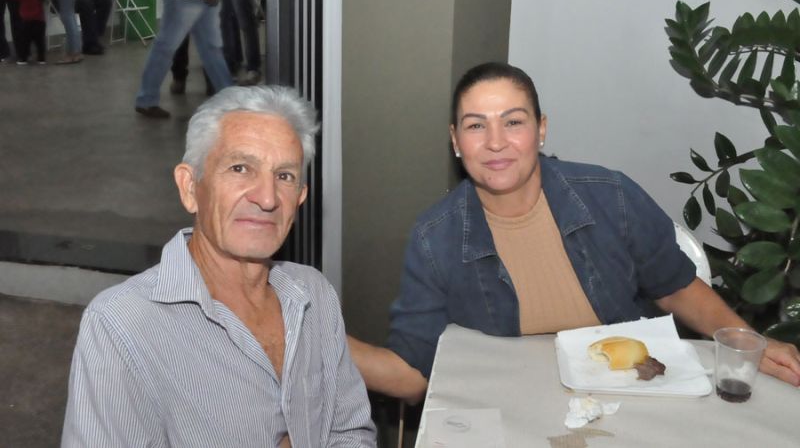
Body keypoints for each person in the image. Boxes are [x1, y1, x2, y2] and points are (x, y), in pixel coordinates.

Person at [348, 62, 800, 401]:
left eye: (513, 121)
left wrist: (749, 344)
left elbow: (677, 287)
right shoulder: (435, 238)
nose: (495, 142)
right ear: (455, 141)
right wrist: (316, 339)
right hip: (513, 405)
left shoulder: (610, 196)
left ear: (541, 129)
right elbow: (415, 376)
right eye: (476, 126)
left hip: (628, 397)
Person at [62, 86, 376, 447]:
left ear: (300, 198)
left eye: (285, 176)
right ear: (190, 187)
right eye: (240, 168)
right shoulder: (120, 327)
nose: (267, 198)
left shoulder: (313, 294)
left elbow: (351, 432)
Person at [3, 0, 46, 64]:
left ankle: (23, 59)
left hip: (27, 22)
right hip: (40, 21)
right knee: (40, 42)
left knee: (25, 41)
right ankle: (41, 59)